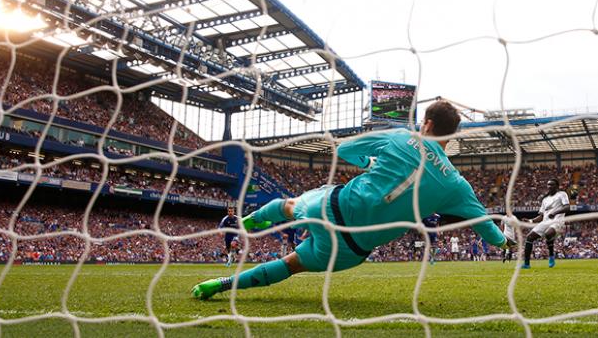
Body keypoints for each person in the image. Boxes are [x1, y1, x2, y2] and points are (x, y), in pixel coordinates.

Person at [191, 101, 514, 300]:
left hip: (330, 209)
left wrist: (369, 164)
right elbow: (483, 224)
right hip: (351, 251)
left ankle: (246, 223)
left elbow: (344, 149)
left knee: (288, 206)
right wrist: (503, 244)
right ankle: (221, 285)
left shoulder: (402, 136)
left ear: (426, 124)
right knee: (291, 266)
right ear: (451, 134)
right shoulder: (456, 184)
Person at [522, 178, 570, 269]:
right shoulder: (545, 200)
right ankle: (526, 264)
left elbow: (567, 207)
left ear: (557, 186)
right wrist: (530, 221)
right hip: (545, 221)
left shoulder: (562, 194)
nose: (549, 186)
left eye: (552, 184)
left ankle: (551, 256)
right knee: (529, 237)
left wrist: (555, 213)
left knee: (548, 233)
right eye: (548, 184)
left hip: (557, 221)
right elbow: (541, 216)